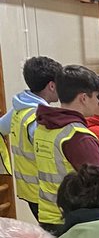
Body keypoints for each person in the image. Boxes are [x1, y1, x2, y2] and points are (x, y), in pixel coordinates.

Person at [32, 64, 99, 230]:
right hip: (71, 220)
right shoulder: (78, 136)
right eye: (96, 96)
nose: (98, 101)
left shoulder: (43, 125)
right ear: (83, 98)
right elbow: (97, 187)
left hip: (47, 215)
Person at [0, 54, 62, 217]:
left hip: (29, 191)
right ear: (51, 86)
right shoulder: (40, 118)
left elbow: (1, 127)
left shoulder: (19, 108)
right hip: (47, 192)